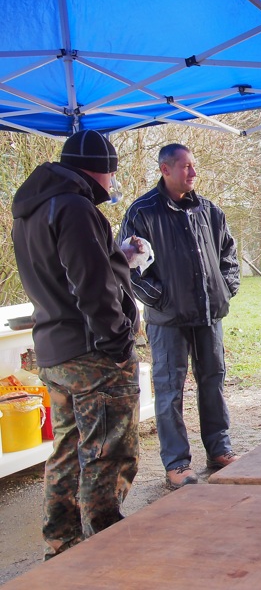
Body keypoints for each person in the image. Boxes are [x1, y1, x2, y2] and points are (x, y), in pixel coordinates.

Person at [11, 130, 141, 559]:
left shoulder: (33, 209)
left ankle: (62, 543)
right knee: (107, 452)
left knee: (67, 450)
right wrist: (117, 341)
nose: (111, 184)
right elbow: (91, 285)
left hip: (55, 349)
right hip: (93, 356)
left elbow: (67, 271)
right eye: (111, 174)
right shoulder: (75, 207)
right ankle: (103, 550)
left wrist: (118, 258)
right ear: (100, 170)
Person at [119, 143, 241, 489]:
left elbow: (228, 253)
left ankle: (219, 449)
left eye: (194, 166)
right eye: (186, 167)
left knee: (213, 380)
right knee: (169, 388)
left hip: (208, 315)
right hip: (168, 320)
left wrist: (224, 288)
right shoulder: (142, 212)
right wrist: (161, 299)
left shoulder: (209, 210)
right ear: (165, 169)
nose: (193, 173)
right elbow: (128, 267)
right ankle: (176, 463)